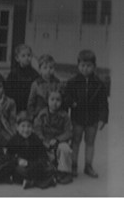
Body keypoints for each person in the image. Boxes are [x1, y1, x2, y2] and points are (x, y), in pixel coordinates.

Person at [63, 49, 109, 178]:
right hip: (77, 119)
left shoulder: (99, 84)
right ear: (78, 66)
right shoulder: (72, 82)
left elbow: (103, 103)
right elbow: (66, 98)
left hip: (92, 120)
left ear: (94, 66)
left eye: (88, 66)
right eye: (82, 65)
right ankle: (73, 165)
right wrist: (72, 103)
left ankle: (88, 166)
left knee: (90, 142)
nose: (85, 68)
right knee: (75, 142)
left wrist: (103, 119)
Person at [6, 111, 57, 189]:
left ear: (32, 128)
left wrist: (36, 163)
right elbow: (8, 155)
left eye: (29, 126)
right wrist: (18, 160)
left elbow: (42, 154)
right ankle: (43, 181)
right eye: (23, 126)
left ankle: (31, 182)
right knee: (16, 171)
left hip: (33, 164)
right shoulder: (14, 140)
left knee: (48, 168)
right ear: (17, 127)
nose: (26, 130)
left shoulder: (35, 139)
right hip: (22, 166)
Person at [34, 89, 73, 184]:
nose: (55, 103)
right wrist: (43, 141)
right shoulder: (42, 114)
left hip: (58, 142)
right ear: (47, 100)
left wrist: (57, 139)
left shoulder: (64, 116)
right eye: (52, 99)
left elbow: (69, 132)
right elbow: (37, 129)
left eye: (58, 100)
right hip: (44, 141)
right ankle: (45, 172)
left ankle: (64, 172)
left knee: (65, 149)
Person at [5, 44, 39, 113]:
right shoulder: (13, 74)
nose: (27, 58)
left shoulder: (35, 74)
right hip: (16, 105)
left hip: (30, 104)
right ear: (17, 58)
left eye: (29, 55)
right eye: (23, 56)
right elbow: (8, 91)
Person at [27, 54, 61, 120]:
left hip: (54, 115)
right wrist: (32, 115)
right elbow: (31, 102)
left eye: (51, 68)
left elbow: (60, 99)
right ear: (40, 70)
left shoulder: (57, 83)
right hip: (39, 115)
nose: (48, 70)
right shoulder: (36, 84)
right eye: (45, 68)